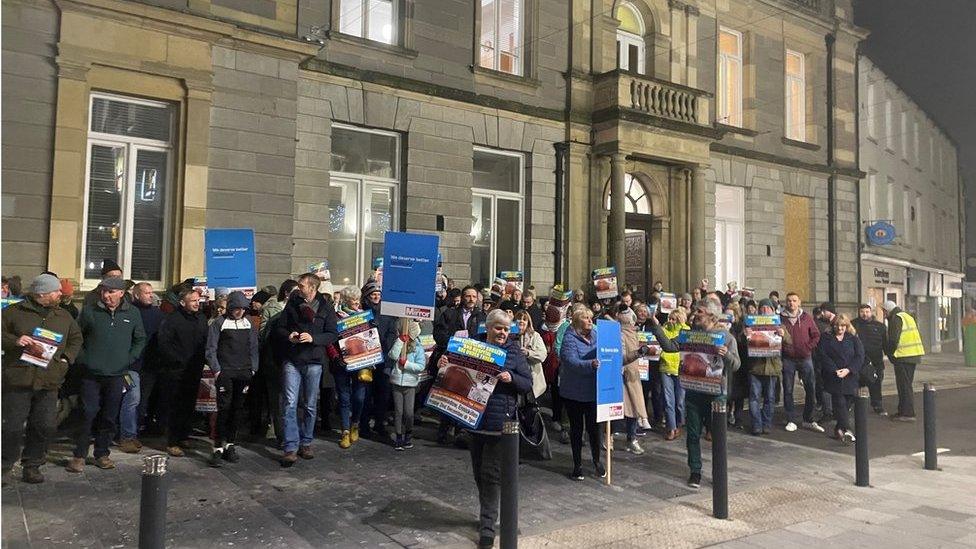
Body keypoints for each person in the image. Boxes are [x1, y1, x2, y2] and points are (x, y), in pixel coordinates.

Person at [436, 309, 531, 549]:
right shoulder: (471, 345)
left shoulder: (514, 351)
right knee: (479, 473)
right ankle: (486, 512)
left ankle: (488, 527)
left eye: (506, 329)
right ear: (488, 327)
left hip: (501, 423)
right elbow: (449, 372)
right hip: (474, 419)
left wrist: (511, 378)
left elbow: (527, 383)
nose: (502, 333)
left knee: (491, 475)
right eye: (498, 328)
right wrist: (442, 363)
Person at [2, 274, 84, 483]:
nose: (60, 294)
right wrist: (15, 340)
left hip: (49, 380)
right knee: (11, 426)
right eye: (56, 291)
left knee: (44, 425)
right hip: (19, 378)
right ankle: (3, 465)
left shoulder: (63, 316)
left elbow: (76, 339)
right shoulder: (13, 312)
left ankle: (32, 465)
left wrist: (66, 359)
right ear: (41, 293)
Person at [656, 300, 737, 489]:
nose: (695, 313)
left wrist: (726, 355)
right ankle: (695, 471)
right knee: (692, 434)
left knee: (718, 435)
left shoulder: (725, 336)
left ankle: (719, 472)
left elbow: (736, 365)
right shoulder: (690, 334)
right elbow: (669, 346)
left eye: (699, 311)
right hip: (694, 391)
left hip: (717, 394)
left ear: (712, 315)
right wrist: (656, 327)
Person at [68, 277, 146, 472]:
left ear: (121, 293)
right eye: (104, 291)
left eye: (111, 292)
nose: (106, 295)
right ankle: (79, 454)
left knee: (109, 415)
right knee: (88, 413)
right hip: (91, 374)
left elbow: (139, 339)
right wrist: (83, 359)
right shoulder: (90, 311)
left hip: (117, 374)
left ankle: (102, 453)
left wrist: (128, 359)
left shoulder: (133, 313)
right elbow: (77, 338)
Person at [276, 273, 338, 465]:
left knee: (310, 404)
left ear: (313, 288)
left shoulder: (325, 307)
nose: (299, 288)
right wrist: (290, 335)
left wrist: (314, 339)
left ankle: (306, 442)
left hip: (313, 361)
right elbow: (280, 327)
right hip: (293, 359)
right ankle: (290, 446)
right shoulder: (293, 303)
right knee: (289, 402)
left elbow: (332, 335)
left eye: (302, 285)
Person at [204, 291, 259, 466]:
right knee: (223, 409)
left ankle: (230, 445)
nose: (239, 312)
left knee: (237, 409)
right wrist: (217, 370)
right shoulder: (219, 323)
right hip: (226, 372)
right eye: (237, 309)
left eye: (243, 309)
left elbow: (253, 347)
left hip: (244, 372)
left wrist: (253, 369)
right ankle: (217, 447)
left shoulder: (248, 323)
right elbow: (211, 349)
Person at [155, 288, 209, 457]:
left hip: (194, 369)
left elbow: (204, 341)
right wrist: (178, 360)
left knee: (189, 404)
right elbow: (164, 344)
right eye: (193, 300)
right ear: (182, 302)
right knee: (174, 406)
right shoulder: (172, 319)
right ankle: (172, 441)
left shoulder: (201, 318)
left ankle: (184, 435)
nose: (196, 303)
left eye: (197, 300)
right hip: (175, 371)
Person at [432, 286, 486, 445]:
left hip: (472, 362)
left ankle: (460, 433)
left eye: (473, 297)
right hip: (451, 359)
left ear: (477, 299)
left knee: (465, 395)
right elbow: (438, 334)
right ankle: (442, 431)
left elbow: (485, 339)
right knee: (447, 393)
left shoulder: (482, 316)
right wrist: (453, 339)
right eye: (467, 296)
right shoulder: (449, 313)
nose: (470, 299)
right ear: (462, 298)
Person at [558, 307, 604, 480]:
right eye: (586, 318)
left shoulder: (596, 335)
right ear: (577, 322)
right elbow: (570, 361)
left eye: (591, 318)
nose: (590, 321)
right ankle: (577, 465)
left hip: (592, 390)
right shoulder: (569, 338)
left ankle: (597, 460)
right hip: (574, 392)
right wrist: (591, 364)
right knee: (577, 429)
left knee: (594, 428)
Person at [119, 282, 163, 453]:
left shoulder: (157, 314)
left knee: (142, 401)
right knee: (132, 398)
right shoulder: (128, 312)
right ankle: (127, 435)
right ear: (136, 295)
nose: (150, 295)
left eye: (151, 292)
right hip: (131, 365)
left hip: (150, 365)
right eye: (146, 293)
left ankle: (134, 433)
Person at [329, 286, 370, 449]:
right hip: (342, 363)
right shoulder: (336, 317)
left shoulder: (364, 316)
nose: (356, 303)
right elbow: (330, 340)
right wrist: (335, 357)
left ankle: (355, 423)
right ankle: (345, 431)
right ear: (346, 301)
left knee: (359, 397)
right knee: (344, 398)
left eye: (357, 300)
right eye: (353, 300)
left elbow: (371, 338)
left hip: (360, 362)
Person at [358, 280, 398, 441]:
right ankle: (364, 424)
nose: (376, 296)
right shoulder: (361, 312)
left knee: (383, 393)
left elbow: (391, 334)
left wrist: (384, 352)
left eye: (378, 294)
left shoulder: (387, 312)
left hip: (383, 359)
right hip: (366, 360)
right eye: (373, 294)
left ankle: (380, 423)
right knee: (365, 394)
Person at [779, 292, 824, 433]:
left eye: (794, 300)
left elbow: (816, 335)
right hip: (788, 358)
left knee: (810, 388)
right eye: (789, 301)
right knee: (788, 389)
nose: (791, 303)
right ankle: (791, 419)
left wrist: (808, 347)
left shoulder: (806, 317)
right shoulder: (780, 318)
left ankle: (808, 418)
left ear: (799, 302)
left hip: (805, 358)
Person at [742, 299, 788, 436]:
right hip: (755, 367)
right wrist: (746, 335)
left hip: (772, 367)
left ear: (773, 311)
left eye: (768, 308)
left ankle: (766, 424)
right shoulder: (750, 324)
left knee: (770, 397)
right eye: (762, 308)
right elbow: (741, 343)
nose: (765, 310)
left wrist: (783, 335)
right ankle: (756, 424)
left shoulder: (780, 325)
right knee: (754, 397)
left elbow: (789, 341)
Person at [817, 314, 864, 443]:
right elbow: (822, 355)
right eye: (837, 325)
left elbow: (859, 356)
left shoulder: (853, 339)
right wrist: (834, 370)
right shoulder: (826, 338)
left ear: (847, 326)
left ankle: (838, 428)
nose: (840, 328)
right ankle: (847, 430)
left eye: (843, 326)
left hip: (850, 376)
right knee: (839, 402)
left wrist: (849, 369)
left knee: (848, 402)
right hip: (834, 376)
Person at [882, 300, 925, 421]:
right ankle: (903, 411)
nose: (884, 315)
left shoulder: (895, 318)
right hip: (913, 355)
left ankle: (907, 413)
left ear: (887, 310)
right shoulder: (906, 316)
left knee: (904, 386)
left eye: (884, 312)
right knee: (906, 384)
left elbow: (894, 340)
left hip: (903, 356)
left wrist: (889, 354)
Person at [388, 319, 426, 451]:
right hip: (397, 382)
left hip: (410, 384)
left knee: (409, 412)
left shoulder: (418, 347)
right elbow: (392, 355)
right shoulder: (398, 343)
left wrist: (407, 365)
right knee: (398, 411)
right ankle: (399, 436)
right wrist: (400, 341)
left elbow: (421, 366)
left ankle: (408, 434)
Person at [616, 306, 648, 455]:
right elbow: (621, 358)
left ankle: (631, 438)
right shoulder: (621, 334)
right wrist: (638, 353)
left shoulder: (634, 333)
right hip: (623, 376)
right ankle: (608, 436)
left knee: (634, 408)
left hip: (634, 376)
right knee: (618, 409)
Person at [852, 304, 888, 415]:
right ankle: (853, 404)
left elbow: (885, 343)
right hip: (859, 360)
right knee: (855, 383)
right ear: (859, 312)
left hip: (876, 360)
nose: (864, 314)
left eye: (867, 311)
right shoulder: (853, 324)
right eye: (862, 312)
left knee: (876, 383)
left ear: (871, 312)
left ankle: (877, 405)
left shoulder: (880, 326)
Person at [660, 308, 689, 441]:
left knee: (680, 401)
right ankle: (671, 428)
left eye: (673, 319)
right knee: (668, 400)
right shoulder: (664, 329)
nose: (670, 321)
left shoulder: (686, 331)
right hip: (665, 368)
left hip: (680, 369)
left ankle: (679, 424)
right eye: (669, 318)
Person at [514, 310, 547, 400]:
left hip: (532, 379)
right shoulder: (509, 335)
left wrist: (529, 353)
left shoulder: (535, 336)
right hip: (515, 379)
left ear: (528, 322)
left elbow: (543, 355)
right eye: (519, 319)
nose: (521, 321)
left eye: (524, 319)